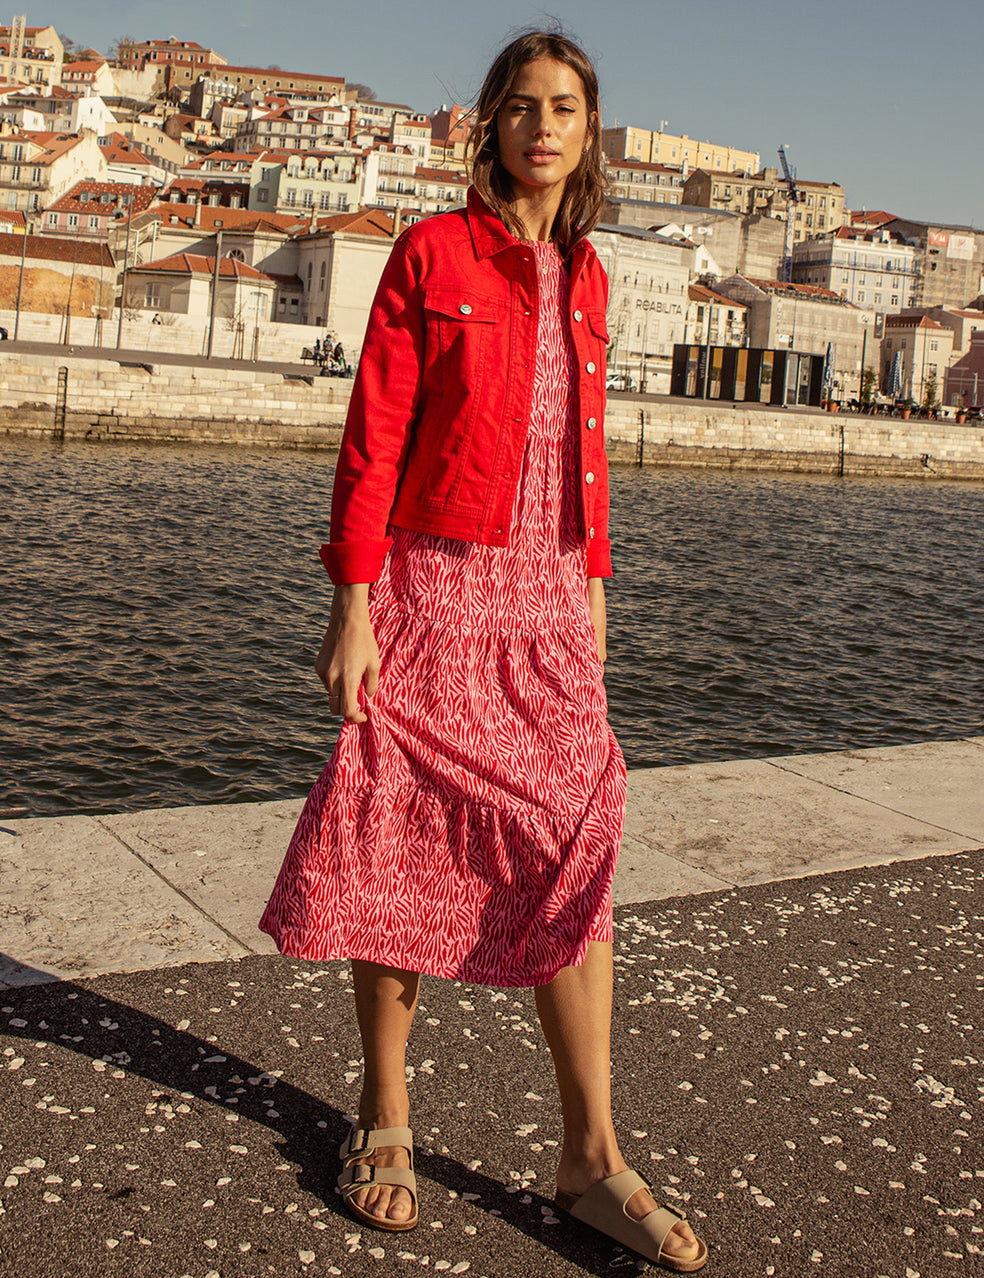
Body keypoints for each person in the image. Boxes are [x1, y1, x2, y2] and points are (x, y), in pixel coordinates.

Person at [259, 29, 707, 1274]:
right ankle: (385, 1109)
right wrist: (352, 606)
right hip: (436, 582)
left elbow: (586, 441)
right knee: (400, 834)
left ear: (588, 128)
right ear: (490, 126)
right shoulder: (433, 252)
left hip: (551, 594)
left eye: (562, 107)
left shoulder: (590, 272)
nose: (541, 127)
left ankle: (589, 1157)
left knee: (578, 832)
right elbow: (375, 434)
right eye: (520, 106)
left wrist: (596, 587)